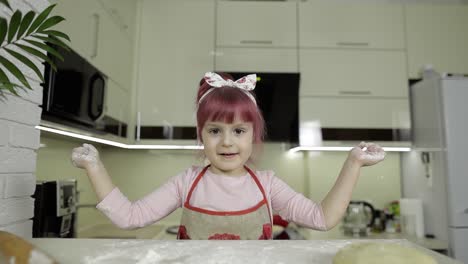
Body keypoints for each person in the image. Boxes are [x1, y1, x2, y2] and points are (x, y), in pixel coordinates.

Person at [71, 72, 386, 240]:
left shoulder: (267, 185)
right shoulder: (186, 182)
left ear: (253, 135)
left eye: (238, 131)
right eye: (214, 130)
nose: (226, 142)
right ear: (201, 134)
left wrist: (353, 163)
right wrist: (94, 166)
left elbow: (322, 219)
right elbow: (129, 217)